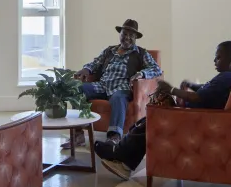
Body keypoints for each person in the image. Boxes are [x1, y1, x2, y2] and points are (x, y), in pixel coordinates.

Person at [95, 38, 231, 180]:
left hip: (194, 120)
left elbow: (196, 98)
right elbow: (208, 89)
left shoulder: (226, 78)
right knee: (146, 122)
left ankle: (118, 154)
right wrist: (193, 85)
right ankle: (124, 162)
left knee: (151, 121)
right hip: (198, 117)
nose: (214, 60)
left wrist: (171, 89)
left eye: (218, 57)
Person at [64, 18, 162, 148]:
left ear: (136, 38)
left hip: (121, 88)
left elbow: (156, 69)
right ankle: (78, 134)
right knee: (77, 88)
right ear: (120, 34)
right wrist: (86, 69)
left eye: (131, 36)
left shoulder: (141, 53)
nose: (127, 38)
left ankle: (114, 137)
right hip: (102, 86)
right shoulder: (109, 51)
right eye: (124, 34)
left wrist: (141, 74)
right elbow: (95, 63)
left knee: (118, 98)